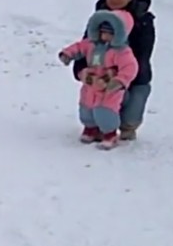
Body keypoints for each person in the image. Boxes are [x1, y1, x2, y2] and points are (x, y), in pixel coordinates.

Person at [71, 0, 156, 140]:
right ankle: (97, 127)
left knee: (130, 115)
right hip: (100, 75)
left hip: (135, 75)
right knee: (97, 102)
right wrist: (81, 69)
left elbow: (143, 51)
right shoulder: (99, 20)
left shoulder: (143, 20)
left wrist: (122, 75)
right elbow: (87, 44)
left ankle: (127, 126)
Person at [59, 10, 139, 149]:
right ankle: (90, 128)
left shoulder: (122, 51)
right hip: (91, 82)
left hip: (109, 86)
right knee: (86, 107)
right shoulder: (91, 45)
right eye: (103, 32)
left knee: (106, 110)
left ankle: (110, 134)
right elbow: (78, 47)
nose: (105, 36)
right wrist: (67, 54)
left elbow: (130, 67)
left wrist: (119, 81)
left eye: (110, 33)